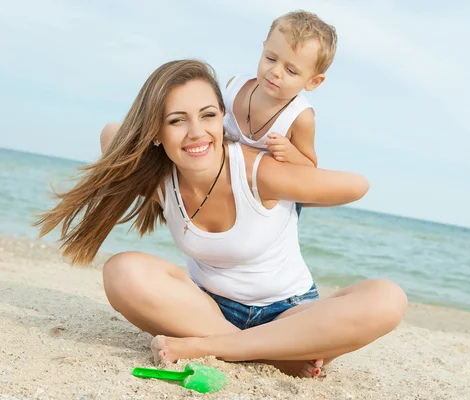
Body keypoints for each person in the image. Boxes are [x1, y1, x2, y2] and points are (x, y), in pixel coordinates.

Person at [36, 59, 408, 378]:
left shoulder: (256, 170)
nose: (197, 132)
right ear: (155, 131)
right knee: (121, 272)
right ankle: (269, 354)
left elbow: (357, 186)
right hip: (207, 310)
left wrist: (296, 162)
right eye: (177, 120)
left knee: (387, 299)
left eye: (208, 115)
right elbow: (111, 134)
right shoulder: (159, 178)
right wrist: (145, 134)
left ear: (223, 118)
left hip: (291, 313)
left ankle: (215, 347)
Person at [101, 10, 337, 217]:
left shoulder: (300, 117)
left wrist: (291, 152)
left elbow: (310, 168)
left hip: (265, 193)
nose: (275, 72)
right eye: (271, 59)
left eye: (290, 70)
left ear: (313, 81)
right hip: (225, 176)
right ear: (263, 48)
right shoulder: (236, 86)